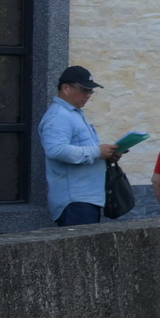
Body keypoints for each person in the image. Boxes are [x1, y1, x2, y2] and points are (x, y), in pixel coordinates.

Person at [38, 65, 124, 227]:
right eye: (84, 90)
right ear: (66, 88)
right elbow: (55, 150)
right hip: (75, 201)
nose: (88, 95)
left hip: (83, 199)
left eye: (90, 91)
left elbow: (80, 150)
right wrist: (97, 152)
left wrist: (106, 155)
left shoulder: (72, 113)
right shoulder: (58, 116)